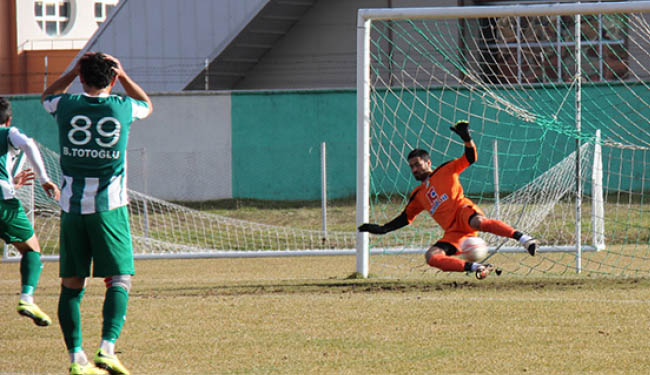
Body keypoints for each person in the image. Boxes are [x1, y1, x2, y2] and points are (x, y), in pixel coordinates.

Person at [41, 52, 153, 375]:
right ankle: (107, 349)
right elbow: (147, 104)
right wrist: (126, 76)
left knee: (71, 285)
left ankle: (77, 359)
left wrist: (70, 75)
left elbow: (47, 96)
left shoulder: (66, 105)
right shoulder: (122, 107)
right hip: (110, 209)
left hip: (71, 209)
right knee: (119, 278)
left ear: (81, 78)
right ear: (113, 79)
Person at [359, 120, 537, 280]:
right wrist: (383, 229)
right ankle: (476, 267)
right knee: (431, 256)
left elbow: (470, 157)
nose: (414, 169)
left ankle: (524, 239)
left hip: (463, 212)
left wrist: (467, 138)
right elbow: (406, 217)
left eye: (417, 164)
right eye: (411, 166)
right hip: (453, 232)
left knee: (478, 221)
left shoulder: (446, 169)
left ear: (428, 163)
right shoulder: (418, 194)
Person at [0, 97, 60, 326]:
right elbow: (28, 144)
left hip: (4, 190)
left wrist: (11, 183)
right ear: (9, 120)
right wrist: (44, 179)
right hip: (2, 202)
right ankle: (26, 298)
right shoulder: (8, 133)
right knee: (31, 248)